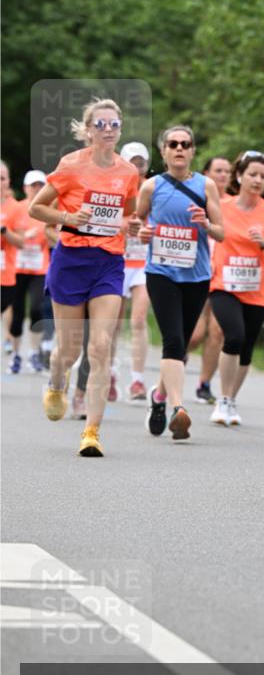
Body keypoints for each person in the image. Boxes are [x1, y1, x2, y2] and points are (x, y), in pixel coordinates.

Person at [28, 98, 139, 456]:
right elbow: (37, 207)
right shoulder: (71, 165)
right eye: (101, 124)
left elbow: (128, 215)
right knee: (69, 349)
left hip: (108, 262)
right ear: (88, 130)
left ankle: (91, 432)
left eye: (114, 124)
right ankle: (56, 383)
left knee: (101, 347)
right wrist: (70, 217)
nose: (108, 130)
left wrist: (131, 225)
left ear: (121, 129)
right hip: (71, 259)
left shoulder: (128, 173)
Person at [129, 125, 224, 441]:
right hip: (161, 273)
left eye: (186, 144)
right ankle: (178, 409)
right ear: (164, 151)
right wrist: (141, 232)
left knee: (180, 344)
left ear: (193, 150)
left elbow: (222, 232)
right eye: (173, 144)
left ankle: (157, 397)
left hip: (196, 275)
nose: (180, 148)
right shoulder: (152, 187)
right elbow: (136, 222)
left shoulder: (206, 186)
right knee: (172, 341)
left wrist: (206, 223)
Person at [209, 150, 264, 425]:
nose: (257, 180)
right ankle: (222, 400)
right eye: (252, 174)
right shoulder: (222, 205)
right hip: (223, 285)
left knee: (247, 348)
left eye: (263, 176)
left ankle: (230, 400)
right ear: (239, 176)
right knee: (234, 336)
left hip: (256, 289)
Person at [188, 156, 232, 404]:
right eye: (218, 170)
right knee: (195, 335)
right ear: (206, 173)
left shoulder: (235, 204)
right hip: (196, 270)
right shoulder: (195, 199)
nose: (223, 175)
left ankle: (204, 384)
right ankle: (175, 359)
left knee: (217, 332)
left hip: (223, 276)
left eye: (227, 171)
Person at [114, 142, 152, 401]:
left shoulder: (153, 188)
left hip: (143, 264)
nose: (137, 167)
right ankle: (110, 374)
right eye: (132, 162)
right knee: (114, 323)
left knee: (138, 321)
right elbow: (104, 218)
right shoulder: (115, 186)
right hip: (117, 261)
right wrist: (124, 226)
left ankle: (137, 380)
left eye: (141, 162)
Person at [8, 170, 49, 373]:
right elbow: (7, 232)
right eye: (33, 186)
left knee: (36, 310)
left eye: (41, 185)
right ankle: (16, 354)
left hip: (39, 268)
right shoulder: (17, 209)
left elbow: (54, 234)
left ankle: (34, 353)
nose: (37, 189)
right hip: (17, 267)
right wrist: (23, 236)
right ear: (25, 188)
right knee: (17, 314)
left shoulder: (48, 209)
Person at [1, 161, 26, 321]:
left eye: (2, 178)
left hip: (5, 276)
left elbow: (21, 242)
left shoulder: (16, 208)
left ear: (8, 181)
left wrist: (3, 230)